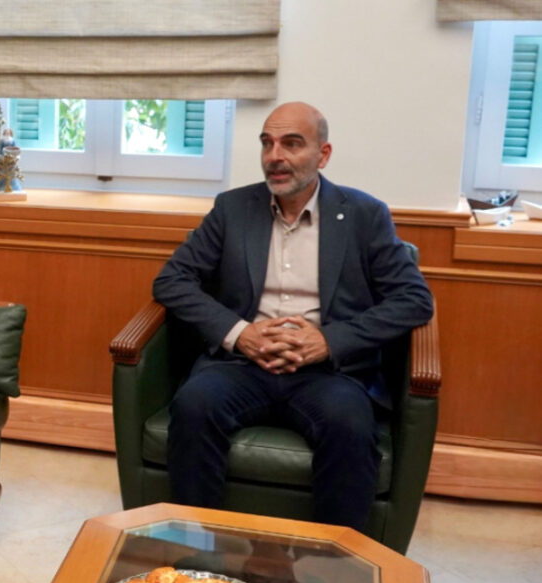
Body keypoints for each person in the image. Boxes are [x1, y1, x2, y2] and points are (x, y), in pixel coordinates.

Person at [152, 102, 433, 531]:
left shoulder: (364, 215)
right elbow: (172, 281)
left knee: (349, 425)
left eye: (291, 144)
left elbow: (414, 299)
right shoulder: (233, 208)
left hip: (328, 373)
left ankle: (331, 563)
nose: (275, 156)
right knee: (194, 406)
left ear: (323, 155)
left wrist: (329, 341)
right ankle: (198, 552)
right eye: (267, 144)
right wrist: (240, 333)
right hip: (240, 365)